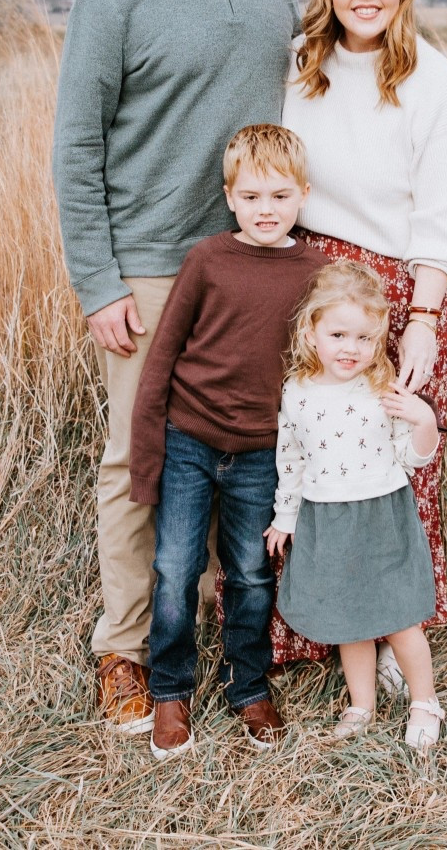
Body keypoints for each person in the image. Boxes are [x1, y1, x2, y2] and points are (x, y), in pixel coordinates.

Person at [52, 0, 300, 735]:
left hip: (251, 267)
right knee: (139, 460)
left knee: (239, 454)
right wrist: (98, 281)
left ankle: (222, 643)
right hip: (151, 268)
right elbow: (76, 148)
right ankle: (122, 652)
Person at [275, 0, 447, 688]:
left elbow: (444, 208)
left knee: (398, 459)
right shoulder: (300, 66)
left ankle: (401, 634)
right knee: (317, 443)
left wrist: (424, 316)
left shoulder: (431, 78)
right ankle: (308, 626)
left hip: (405, 284)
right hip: (312, 279)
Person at [127, 124, 330, 759]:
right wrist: (147, 458)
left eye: (277, 196)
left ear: (303, 194)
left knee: (247, 572)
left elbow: (321, 367)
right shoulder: (208, 260)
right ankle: (169, 689)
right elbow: (161, 358)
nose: (264, 210)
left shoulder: (316, 270)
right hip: (189, 438)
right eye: (249, 197)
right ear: (228, 196)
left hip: (262, 451)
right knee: (175, 568)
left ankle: (249, 687)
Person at [264, 262, 446, 748]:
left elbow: (412, 458)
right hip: (327, 519)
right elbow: (292, 459)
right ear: (312, 331)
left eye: (364, 338)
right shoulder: (297, 393)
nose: (351, 348)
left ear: (379, 338)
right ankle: (360, 703)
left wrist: (423, 420)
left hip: (382, 515)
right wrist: (285, 517)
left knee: (400, 616)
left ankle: (424, 702)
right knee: (349, 620)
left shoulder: (382, 388)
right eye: (339, 334)